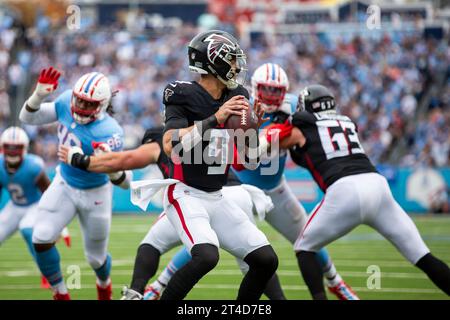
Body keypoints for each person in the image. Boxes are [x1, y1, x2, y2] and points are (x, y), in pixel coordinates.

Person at [120, 30, 279, 300]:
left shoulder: (238, 94)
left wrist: (253, 128)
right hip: (185, 192)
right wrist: (214, 119)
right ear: (212, 62)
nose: (236, 66)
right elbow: (171, 146)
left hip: (218, 196)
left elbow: (250, 162)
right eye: (230, 60)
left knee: (266, 259)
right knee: (206, 255)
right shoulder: (181, 93)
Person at [60, 126, 279, 300]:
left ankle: (138, 291)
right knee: (258, 261)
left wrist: (82, 160)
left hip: (204, 196)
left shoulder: (161, 139)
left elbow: (127, 160)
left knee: (159, 243)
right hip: (237, 193)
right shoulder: (205, 129)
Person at [277, 84, 450, 299]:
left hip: (345, 190)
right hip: (377, 186)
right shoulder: (347, 122)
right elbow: (310, 153)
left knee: (305, 247)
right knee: (423, 256)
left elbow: (281, 141)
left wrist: (281, 122)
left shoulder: (304, 126)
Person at [19, 67, 132, 300]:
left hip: (96, 194)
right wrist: (38, 95)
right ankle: (61, 293)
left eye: (88, 104)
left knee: (96, 258)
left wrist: (102, 164)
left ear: (102, 105)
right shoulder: (64, 101)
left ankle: (104, 284)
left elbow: (125, 182)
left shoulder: (110, 132)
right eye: (79, 100)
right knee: (40, 237)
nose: (80, 107)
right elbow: (27, 118)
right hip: (65, 183)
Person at [0, 126, 71, 289]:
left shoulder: (33, 166)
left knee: (27, 229)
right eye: (8, 147)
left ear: (24, 148)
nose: (12, 151)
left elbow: (49, 192)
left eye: (16, 147)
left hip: (35, 205)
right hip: (14, 206)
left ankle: (45, 271)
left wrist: (60, 225)